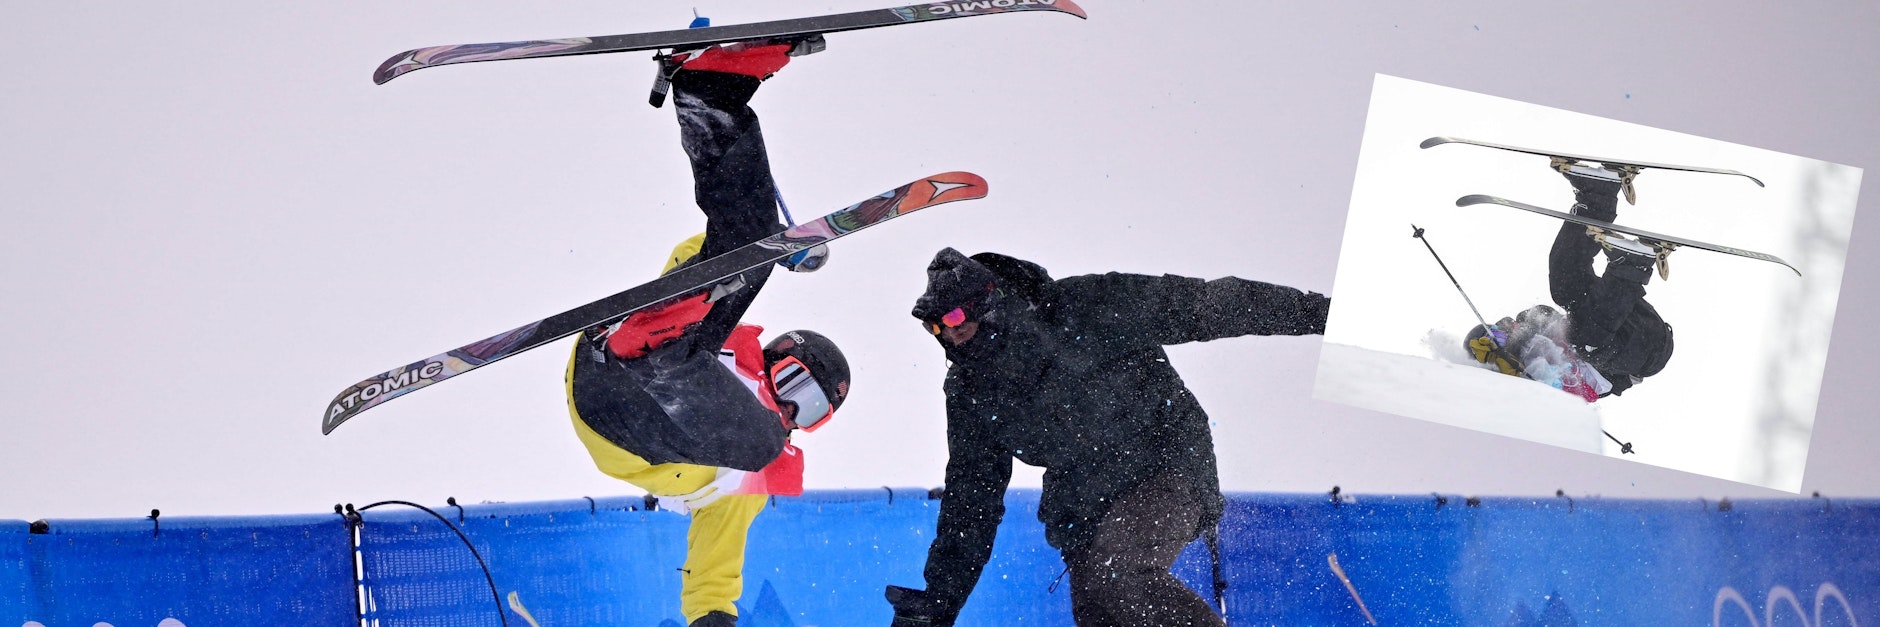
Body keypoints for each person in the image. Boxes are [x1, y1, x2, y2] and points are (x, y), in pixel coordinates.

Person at [562, 40, 851, 627]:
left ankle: (649, 337)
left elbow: (715, 567)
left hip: (626, 425)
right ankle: (712, 92)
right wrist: (760, 253)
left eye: (812, 411)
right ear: (776, 357)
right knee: (744, 244)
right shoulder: (733, 350)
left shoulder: (751, 458)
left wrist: (712, 617)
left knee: (765, 451)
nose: (795, 410)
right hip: (636, 359)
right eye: (797, 386)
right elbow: (692, 254)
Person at [884, 248, 1330, 627]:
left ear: (991, 301)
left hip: (1167, 467)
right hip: (1084, 506)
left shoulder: (1086, 307)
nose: (950, 332)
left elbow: (1205, 305)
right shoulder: (971, 390)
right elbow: (972, 499)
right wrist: (940, 602)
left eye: (957, 316)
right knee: (1100, 607)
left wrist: (1323, 313)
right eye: (936, 326)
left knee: (1119, 576)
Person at [1466, 164, 1673, 397]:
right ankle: (1632, 265)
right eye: (1499, 339)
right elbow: (1550, 392)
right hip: (1640, 354)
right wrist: (1512, 372)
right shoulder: (1541, 385)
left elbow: (1542, 314)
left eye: (1500, 333)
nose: (1505, 337)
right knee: (1582, 342)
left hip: (1629, 319)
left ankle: (1597, 198)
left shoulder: (1535, 333)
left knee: (1565, 288)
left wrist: (1510, 337)